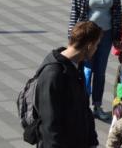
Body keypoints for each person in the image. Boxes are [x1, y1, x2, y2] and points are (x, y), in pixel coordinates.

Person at [68, 0, 122, 122]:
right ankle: (83, 104)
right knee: (86, 70)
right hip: (88, 36)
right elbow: (74, 13)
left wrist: (117, 35)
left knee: (100, 71)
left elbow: (118, 10)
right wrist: (72, 37)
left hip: (105, 35)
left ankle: (97, 106)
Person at [34, 20, 101, 148]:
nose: (96, 49)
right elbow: (50, 124)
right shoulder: (53, 74)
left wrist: (92, 141)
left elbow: (84, 110)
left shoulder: (76, 66)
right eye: (96, 45)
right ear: (89, 45)